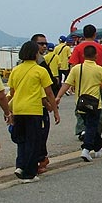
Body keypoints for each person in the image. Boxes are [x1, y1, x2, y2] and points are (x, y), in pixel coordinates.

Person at [7, 40, 60, 183]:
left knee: (21, 140)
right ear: (34, 54)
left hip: (18, 109)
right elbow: (49, 93)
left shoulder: (16, 70)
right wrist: (55, 111)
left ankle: (20, 166)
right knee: (33, 141)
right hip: (33, 110)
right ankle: (29, 173)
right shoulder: (40, 70)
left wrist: (8, 112)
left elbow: (12, 92)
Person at [56, 44, 102, 162]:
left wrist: (59, 96)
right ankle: (86, 149)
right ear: (96, 56)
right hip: (95, 104)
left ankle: (98, 148)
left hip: (80, 103)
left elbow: (67, 83)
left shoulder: (77, 69)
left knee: (89, 126)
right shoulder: (99, 69)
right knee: (92, 127)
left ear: (83, 55)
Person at [68, 24, 102, 140]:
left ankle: (82, 130)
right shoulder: (101, 48)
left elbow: (73, 65)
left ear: (83, 35)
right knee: (97, 109)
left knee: (81, 107)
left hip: (81, 83)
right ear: (95, 34)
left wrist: (73, 83)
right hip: (97, 82)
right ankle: (95, 132)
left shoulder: (78, 48)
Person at [31, 34, 61, 174]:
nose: (44, 46)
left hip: (39, 104)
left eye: (45, 43)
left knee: (39, 134)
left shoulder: (42, 60)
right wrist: (51, 105)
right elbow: (45, 89)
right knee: (39, 134)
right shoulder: (38, 63)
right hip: (37, 105)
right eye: (41, 43)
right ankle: (41, 159)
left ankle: (37, 159)